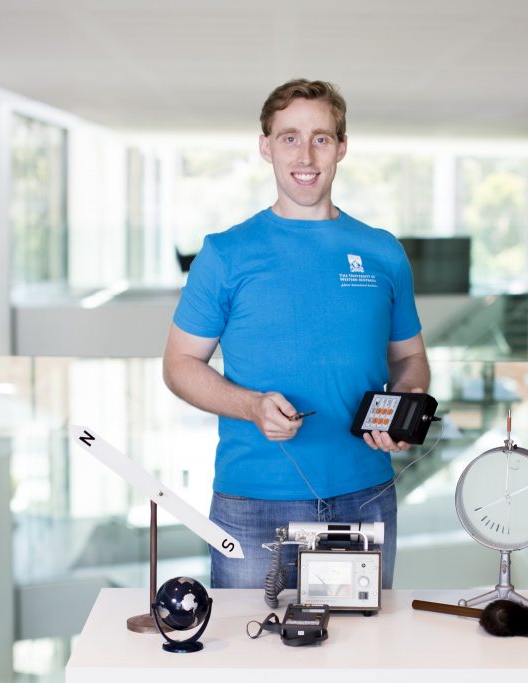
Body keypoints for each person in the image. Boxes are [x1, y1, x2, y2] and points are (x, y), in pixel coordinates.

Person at [162, 78, 430, 590]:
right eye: (289, 137)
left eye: (321, 138)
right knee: (251, 661)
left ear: (342, 147)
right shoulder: (225, 254)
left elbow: (410, 358)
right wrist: (251, 407)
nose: (305, 154)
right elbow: (178, 366)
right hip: (253, 499)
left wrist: (407, 397)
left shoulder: (383, 252)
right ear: (265, 146)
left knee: (361, 659)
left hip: (366, 493)